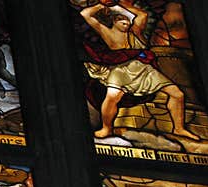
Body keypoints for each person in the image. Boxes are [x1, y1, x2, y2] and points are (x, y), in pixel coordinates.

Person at [80, 0, 199, 141]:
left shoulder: (135, 33)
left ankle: (179, 128)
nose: (125, 22)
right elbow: (85, 13)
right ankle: (107, 129)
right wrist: (104, 3)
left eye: (126, 19)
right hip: (121, 70)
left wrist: (120, 4)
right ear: (113, 22)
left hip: (144, 70)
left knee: (177, 94)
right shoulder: (108, 33)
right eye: (120, 19)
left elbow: (142, 14)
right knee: (112, 98)